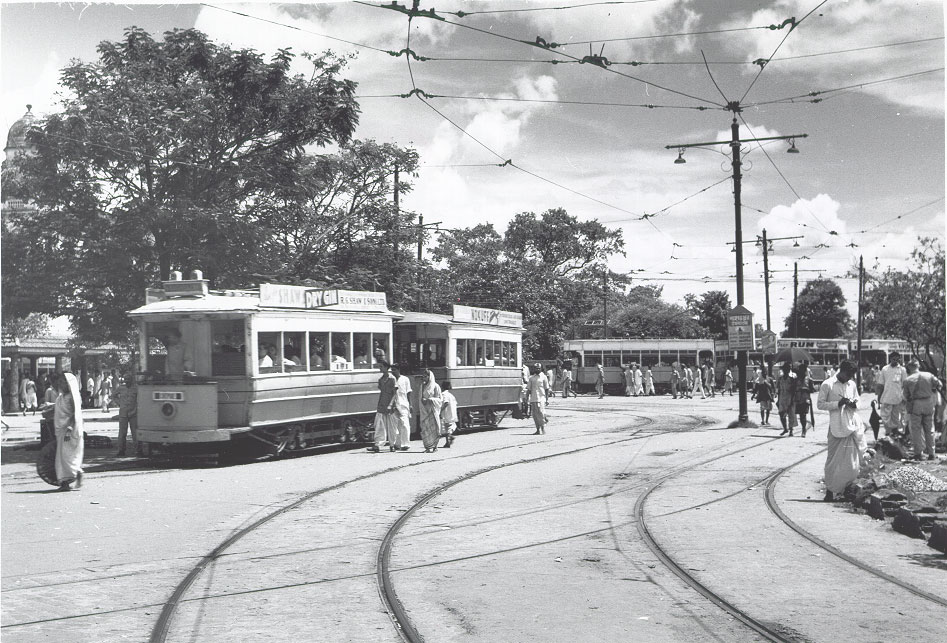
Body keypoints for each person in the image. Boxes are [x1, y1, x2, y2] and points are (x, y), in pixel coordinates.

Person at [818, 360, 869, 502]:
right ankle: (830, 491)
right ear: (841, 371)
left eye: (852, 376)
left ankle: (846, 490)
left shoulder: (851, 384)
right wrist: (837, 404)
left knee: (851, 462)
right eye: (848, 375)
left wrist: (854, 404)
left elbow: (858, 401)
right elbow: (820, 404)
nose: (849, 378)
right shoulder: (827, 384)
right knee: (832, 460)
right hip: (836, 426)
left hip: (851, 425)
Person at [902, 359, 942, 461]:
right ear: (918, 366)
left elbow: (906, 396)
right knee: (930, 429)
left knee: (916, 429)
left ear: (909, 367)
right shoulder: (928, 375)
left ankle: (918, 453)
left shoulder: (907, 380)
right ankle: (931, 453)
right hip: (928, 402)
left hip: (916, 404)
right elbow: (939, 385)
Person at [53, 373, 85, 492]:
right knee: (62, 458)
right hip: (61, 430)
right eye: (60, 381)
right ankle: (66, 481)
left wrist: (70, 428)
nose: (60, 384)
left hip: (69, 431)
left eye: (63, 382)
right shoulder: (61, 397)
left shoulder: (73, 398)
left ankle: (75, 474)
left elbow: (74, 414)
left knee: (67, 457)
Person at [367, 362, 397, 453]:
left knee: (391, 426)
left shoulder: (392, 379)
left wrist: (391, 405)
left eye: (381, 367)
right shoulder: (381, 379)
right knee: (379, 425)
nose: (380, 368)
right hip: (381, 405)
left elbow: (395, 394)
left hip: (390, 406)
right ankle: (378, 445)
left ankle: (392, 445)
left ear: (386, 368)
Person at [876, 352, 907, 438]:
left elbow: (905, 384)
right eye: (894, 359)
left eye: (897, 359)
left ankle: (895, 434)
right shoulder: (885, 369)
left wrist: (905, 397)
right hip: (886, 397)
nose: (895, 361)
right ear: (890, 359)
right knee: (885, 417)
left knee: (896, 417)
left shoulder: (902, 370)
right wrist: (878, 398)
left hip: (898, 398)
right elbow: (880, 384)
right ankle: (888, 433)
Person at [419, 369, 443, 453]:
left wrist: (430, 400)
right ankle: (427, 447)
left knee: (435, 429)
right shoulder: (422, 386)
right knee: (425, 429)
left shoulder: (436, 386)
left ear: (430, 377)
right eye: (423, 376)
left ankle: (435, 447)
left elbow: (440, 399)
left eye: (426, 376)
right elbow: (420, 399)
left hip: (432, 411)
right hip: (424, 411)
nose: (424, 378)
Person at [115, 373, 139, 457]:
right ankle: (121, 450)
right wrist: (119, 404)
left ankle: (138, 450)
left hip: (133, 413)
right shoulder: (121, 388)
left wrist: (137, 407)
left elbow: (140, 399)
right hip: (123, 413)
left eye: (129, 379)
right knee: (122, 433)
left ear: (132, 380)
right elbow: (114, 396)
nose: (127, 381)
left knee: (135, 433)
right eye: (126, 379)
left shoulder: (136, 388)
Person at [390, 364, 412, 450]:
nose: (393, 372)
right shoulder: (391, 380)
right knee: (395, 425)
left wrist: (410, 404)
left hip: (403, 404)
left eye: (394, 370)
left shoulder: (405, 379)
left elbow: (408, 392)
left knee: (405, 424)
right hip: (393, 405)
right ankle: (397, 444)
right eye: (392, 370)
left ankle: (405, 444)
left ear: (399, 370)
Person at [528, 363, 551, 434]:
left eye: (539, 368)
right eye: (536, 368)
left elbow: (546, 389)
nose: (537, 369)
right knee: (535, 415)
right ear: (534, 369)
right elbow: (529, 389)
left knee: (540, 413)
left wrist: (547, 399)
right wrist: (526, 398)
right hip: (534, 398)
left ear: (541, 369)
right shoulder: (531, 378)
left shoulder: (544, 377)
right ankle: (538, 429)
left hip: (541, 398)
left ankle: (543, 428)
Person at [776, 361, 798, 436]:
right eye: (784, 369)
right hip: (782, 397)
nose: (786, 370)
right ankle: (785, 428)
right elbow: (778, 389)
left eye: (787, 369)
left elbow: (794, 390)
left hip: (790, 397)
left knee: (791, 414)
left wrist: (792, 399)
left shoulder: (792, 378)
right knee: (781, 413)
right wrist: (778, 400)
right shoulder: (780, 379)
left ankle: (791, 430)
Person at [794, 363, 813, 437]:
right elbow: (793, 389)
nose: (801, 372)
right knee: (801, 415)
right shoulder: (796, 380)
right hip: (798, 399)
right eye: (800, 370)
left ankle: (803, 429)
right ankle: (803, 427)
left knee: (803, 414)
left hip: (805, 399)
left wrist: (805, 389)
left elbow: (812, 390)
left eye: (802, 370)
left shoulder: (809, 379)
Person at [440, 381, 458, 448]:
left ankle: (450, 437)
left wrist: (440, 410)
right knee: (449, 427)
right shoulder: (451, 395)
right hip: (452, 413)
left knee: (446, 427)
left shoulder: (444, 394)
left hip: (446, 413)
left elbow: (446, 403)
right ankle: (447, 443)